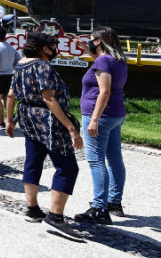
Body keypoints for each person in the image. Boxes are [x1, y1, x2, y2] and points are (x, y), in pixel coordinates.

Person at [6, 31, 84, 241]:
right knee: (67, 167)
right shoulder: (43, 66)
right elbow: (49, 99)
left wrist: (9, 121)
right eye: (53, 46)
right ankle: (55, 217)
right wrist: (71, 129)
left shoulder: (20, 65)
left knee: (33, 161)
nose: (55, 49)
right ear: (45, 48)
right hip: (48, 121)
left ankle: (32, 209)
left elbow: (11, 95)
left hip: (27, 117)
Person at [70, 27, 128, 224]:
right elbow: (102, 63)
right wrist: (86, 49)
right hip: (115, 115)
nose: (89, 41)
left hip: (100, 116)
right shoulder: (118, 59)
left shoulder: (103, 61)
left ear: (99, 41)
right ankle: (114, 203)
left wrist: (94, 119)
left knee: (96, 161)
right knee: (115, 159)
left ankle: (99, 209)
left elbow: (105, 91)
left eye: (91, 39)